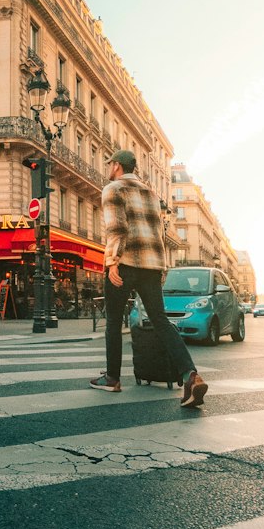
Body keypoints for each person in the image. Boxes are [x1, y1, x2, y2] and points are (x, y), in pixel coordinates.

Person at [92, 149, 207, 408]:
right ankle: (190, 374)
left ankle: (112, 378)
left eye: (111, 164)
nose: (109, 168)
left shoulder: (113, 189)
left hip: (125, 262)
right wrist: (161, 268)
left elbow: (117, 229)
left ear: (118, 167)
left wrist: (112, 262)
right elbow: (157, 233)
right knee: (161, 320)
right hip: (152, 265)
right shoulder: (151, 193)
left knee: (112, 320)